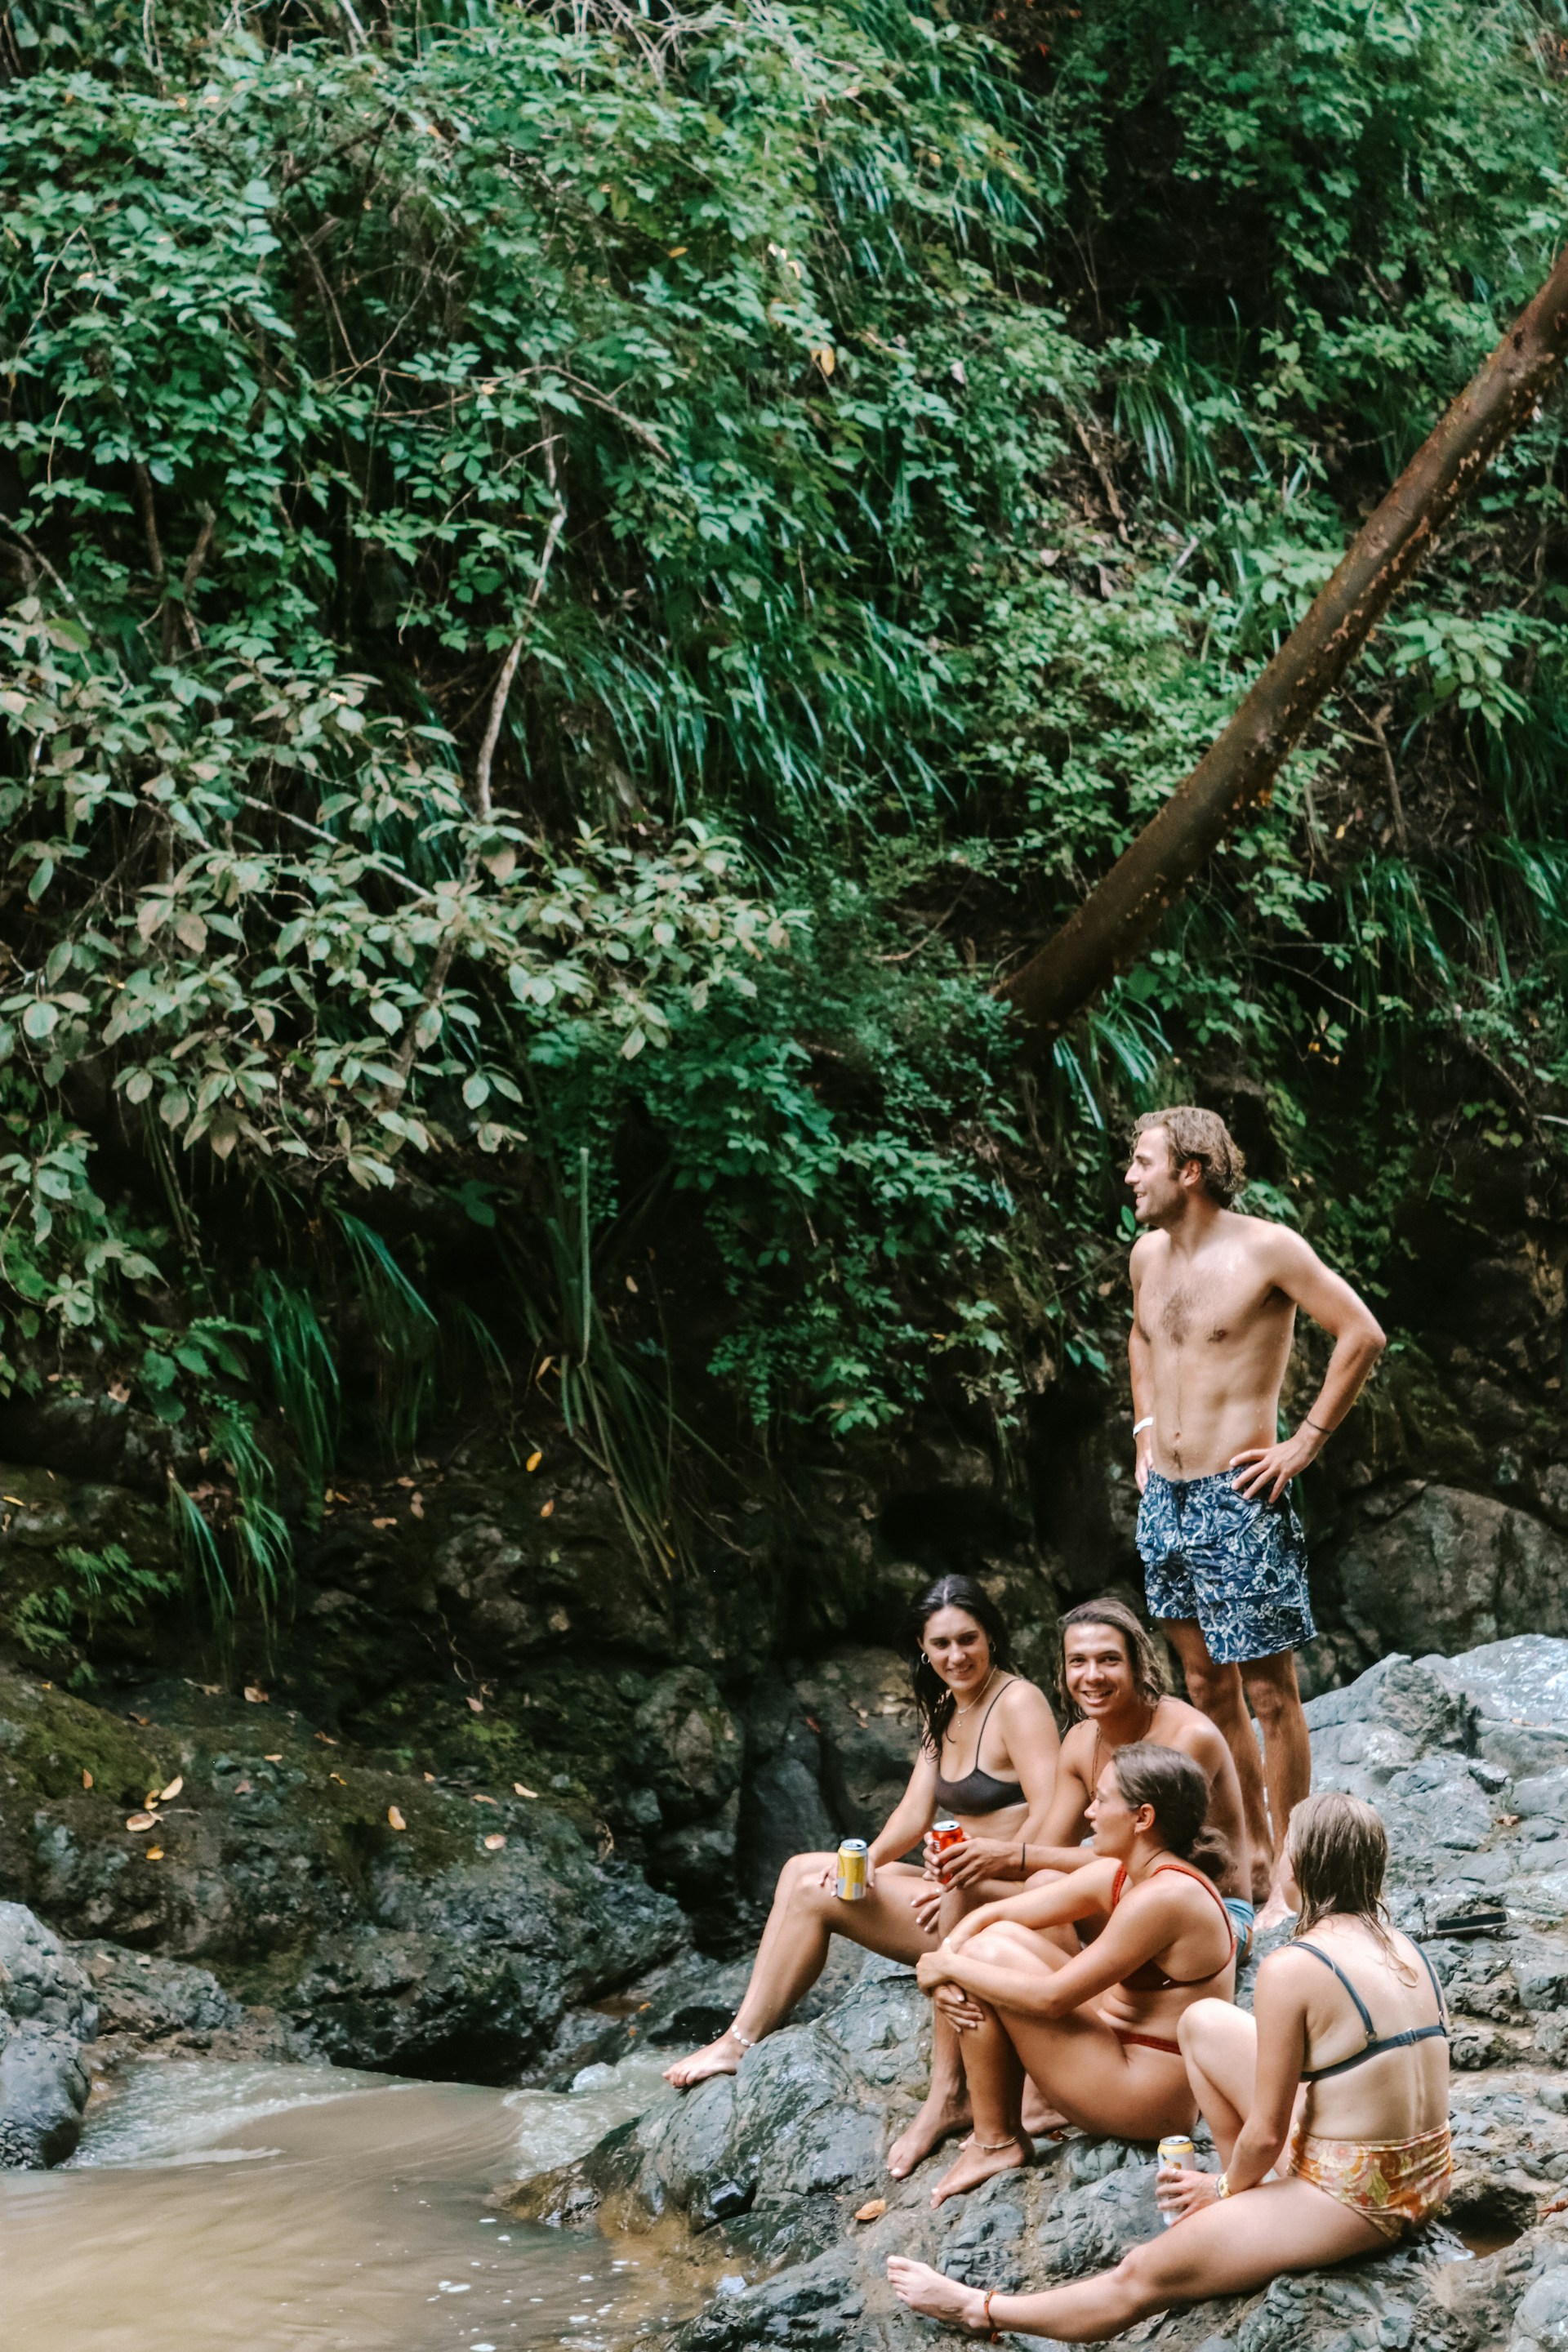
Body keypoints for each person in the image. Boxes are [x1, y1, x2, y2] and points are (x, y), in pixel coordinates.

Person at [886, 1789, 1450, 2341]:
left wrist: (1222, 2190)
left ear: (1298, 1865)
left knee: (1141, 2277)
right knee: (1205, 2021)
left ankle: (980, 2310)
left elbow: (1269, 2130)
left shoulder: (1294, 1968)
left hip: (1358, 2202)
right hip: (1425, 2174)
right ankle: (1255, 2204)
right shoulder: (1406, 1949)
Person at [1125, 1107, 1385, 1922]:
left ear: (1190, 1170)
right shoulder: (1147, 1255)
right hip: (1163, 1500)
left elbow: (1362, 1333)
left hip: (1238, 1497)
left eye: (1143, 1162)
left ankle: (1298, 1877)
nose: (1130, 1178)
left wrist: (1303, 1443)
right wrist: (1140, 1432)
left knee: (1271, 1693)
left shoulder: (1267, 1249)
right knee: (1206, 1684)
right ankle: (1251, 1854)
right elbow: (1141, 1337)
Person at [663, 1573, 1061, 2097]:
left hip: (1004, 1903)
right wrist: (871, 1857)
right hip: (956, 1883)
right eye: (941, 1643)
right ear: (922, 1647)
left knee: (814, 1896)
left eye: (968, 1639)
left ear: (990, 1636)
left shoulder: (1018, 1702)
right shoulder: (944, 1706)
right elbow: (915, 1812)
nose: (957, 1655)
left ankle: (742, 2040)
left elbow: (1053, 1818)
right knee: (803, 1869)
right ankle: (742, 2027)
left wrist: (974, 1880)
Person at [911, 1743, 1236, 2205]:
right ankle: (1010, 2122)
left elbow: (1052, 1999)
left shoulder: (1164, 1898)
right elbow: (996, 1913)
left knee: (985, 1956)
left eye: (1102, 1800)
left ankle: (995, 2143)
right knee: (994, 1939)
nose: (1089, 1811)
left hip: (1150, 2100)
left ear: (1142, 1818)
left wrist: (949, 1967)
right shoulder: (1130, 1873)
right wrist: (945, 1964)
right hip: (1121, 2049)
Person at [1023, 1598, 1253, 1949]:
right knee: (987, 1891)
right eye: (1078, 1662)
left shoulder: (1188, 1737)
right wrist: (972, 1862)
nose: (1092, 1675)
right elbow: (1048, 1851)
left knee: (1043, 1891)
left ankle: (1078, 1999)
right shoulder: (1079, 1741)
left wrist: (1011, 1856)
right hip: (1129, 1893)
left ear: (1137, 1664)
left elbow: (1142, 1858)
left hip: (1213, 1913)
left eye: (1109, 1659)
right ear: (1064, 1670)